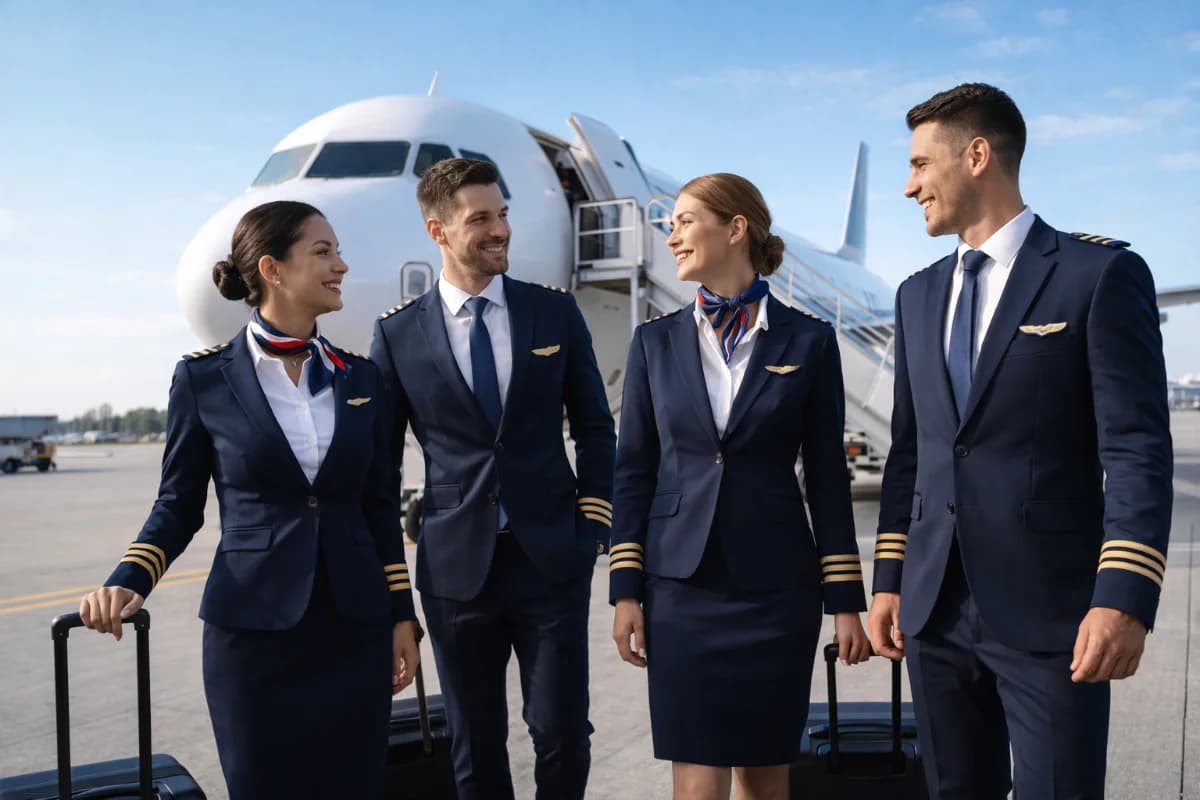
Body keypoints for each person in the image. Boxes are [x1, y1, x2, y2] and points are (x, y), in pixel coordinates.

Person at [866, 83, 1174, 799]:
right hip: (934, 612)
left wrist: (1123, 594)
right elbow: (911, 454)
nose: (909, 186)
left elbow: (1135, 450)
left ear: (977, 155)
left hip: (1051, 612)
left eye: (919, 164)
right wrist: (888, 580)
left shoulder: (1096, 276)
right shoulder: (916, 296)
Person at [79, 200, 420, 800]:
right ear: (272, 269)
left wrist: (401, 614)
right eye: (324, 252)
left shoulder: (362, 379)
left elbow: (378, 511)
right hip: (254, 637)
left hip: (354, 632)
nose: (341, 264)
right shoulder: (203, 380)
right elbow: (179, 503)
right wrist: (129, 577)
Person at [609, 172, 871, 800]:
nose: (671, 235)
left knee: (763, 776)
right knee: (696, 782)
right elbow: (634, 472)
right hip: (681, 588)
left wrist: (844, 601)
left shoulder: (809, 341)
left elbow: (829, 480)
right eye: (670, 224)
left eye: (684, 220)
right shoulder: (654, 342)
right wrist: (625, 590)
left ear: (735, 228)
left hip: (776, 591)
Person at [370, 158, 616, 800]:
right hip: (455, 570)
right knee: (474, 741)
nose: (499, 229)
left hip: (550, 560)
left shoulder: (552, 315)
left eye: (502, 215)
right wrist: (393, 591)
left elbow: (595, 428)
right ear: (438, 231)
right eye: (480, 219)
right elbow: (379, 468)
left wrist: (592, 524)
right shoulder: (398, 334)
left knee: (563, 730)